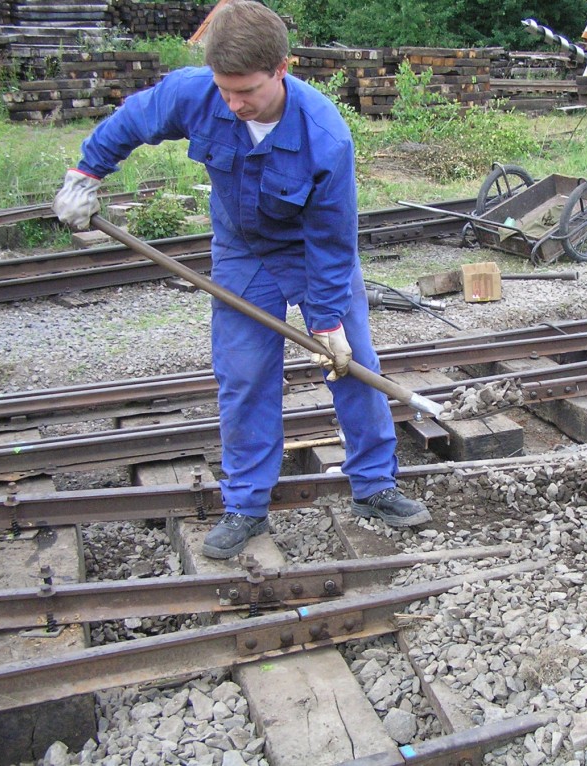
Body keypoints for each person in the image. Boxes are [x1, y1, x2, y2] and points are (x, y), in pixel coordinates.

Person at [53, 0, 431, 560]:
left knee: (351, 367)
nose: (233, 104)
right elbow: (133, 119)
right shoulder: (198, 93)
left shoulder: (325, 136)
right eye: (224, 90)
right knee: (245, 374)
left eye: (246, 92)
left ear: (282, 68)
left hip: (310, 255)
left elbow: (331, 241)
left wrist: (327, 323)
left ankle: (375, 486)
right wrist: (86, 174)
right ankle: (246, 506)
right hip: (242, 252)